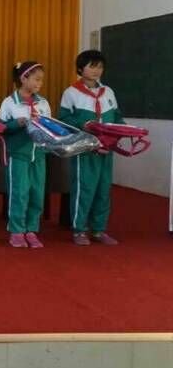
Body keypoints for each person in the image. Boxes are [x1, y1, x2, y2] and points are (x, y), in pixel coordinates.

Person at [59, 50, 123, 246]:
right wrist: (83, 124)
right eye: (92, 66)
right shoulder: (71, 93)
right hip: (85, 149)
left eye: (100, 67)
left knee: (103, 189)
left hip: (107, 148)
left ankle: (98, 229)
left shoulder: (108, 92)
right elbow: (64, 119)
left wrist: (124, 130)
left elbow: (117, 116)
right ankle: (79, 230)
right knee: (84, 189)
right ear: (80, 69)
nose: (97, 71)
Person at [0, 61, 51, 249]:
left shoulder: (43, 103)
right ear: (23, 79)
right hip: (18, 155)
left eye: (41, 80)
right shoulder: (9, 102)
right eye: (36, 79)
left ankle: (31, 230)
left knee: (37, 194)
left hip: (39, 155)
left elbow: (49, 127)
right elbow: (1, 128)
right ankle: (16, 230)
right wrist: (17, 123)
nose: (39, 83)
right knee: (19, 193)